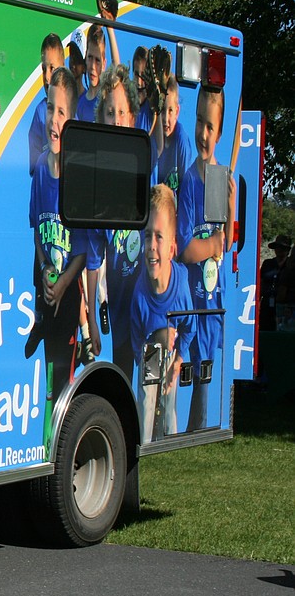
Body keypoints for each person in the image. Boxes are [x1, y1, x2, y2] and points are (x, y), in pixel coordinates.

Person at [177, 85, 235, 431]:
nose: (202, 132)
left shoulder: (220, 179)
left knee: (208, 370)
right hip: (193, 300)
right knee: (192, 369)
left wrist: (228, 209)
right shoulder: (189, 180)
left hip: (215, 299)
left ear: (219, 131)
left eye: (210, 126)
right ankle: (191, 428)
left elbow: (224, 243)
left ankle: (202, 427)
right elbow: (185, 249)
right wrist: (211, 245)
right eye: (199, 122)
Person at [29, 66, 86, 408]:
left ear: (73, 117)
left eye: (62, 112)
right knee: (46, 376)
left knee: (61, 381)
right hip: (46, 290)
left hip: (68, 297)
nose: (54, 120)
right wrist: (45, 272)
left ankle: (57, 444)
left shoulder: (77, 176)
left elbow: (82, 250)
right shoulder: (39, 171)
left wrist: (63, 282)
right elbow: (38, 230)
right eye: (50, 108)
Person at [85, 64, 141, 380]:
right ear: (100, 119)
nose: (116, 120)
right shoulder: (99, 184)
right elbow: (94, 260)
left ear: (132, 118)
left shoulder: (144, 165)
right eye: (109, 112)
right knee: (121, 377)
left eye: (122, 112)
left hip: (143, 307)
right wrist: (93, 317)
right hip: (115, 309)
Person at [131, 184, 195, 443]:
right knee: (147, 398)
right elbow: (137, 344)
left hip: (173, 349)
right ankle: (145, 444)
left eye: (159, 237)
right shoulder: (140, 295)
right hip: (149, 347)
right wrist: (157, 336)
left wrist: (178, 361)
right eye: (147, 236)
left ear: (172, 248)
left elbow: (189, 326)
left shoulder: (180, 288)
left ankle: (171, 441)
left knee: (169, 399)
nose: (151, 246)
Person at [29, 33, 65, 175]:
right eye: (44, 69)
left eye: (52, 68)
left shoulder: (72, 110)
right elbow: (35, 169)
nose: (47, 77)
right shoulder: (39, 113)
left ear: (63, 68)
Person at [156, 75, 193, 197]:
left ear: (177, 111)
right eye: (162, 110)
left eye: (170, 110)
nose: (166, 119)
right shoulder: (154, 138)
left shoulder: (181, 140)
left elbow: (186, 188)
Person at [76, 24, 107, 123]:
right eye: (90, 57)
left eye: (97, 60)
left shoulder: (106, 98)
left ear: (104, 64)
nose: (93, 66)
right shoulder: (80, 104)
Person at [260, 234, 291, 332]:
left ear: (288, 250)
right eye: (277, 247)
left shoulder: (290, 266)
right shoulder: (267, 263)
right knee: (265, 327)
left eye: (282, 248)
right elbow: (261, 282)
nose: (279, 250)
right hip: (267, 302)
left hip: (283, 304)